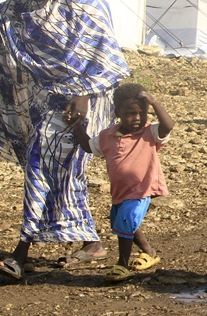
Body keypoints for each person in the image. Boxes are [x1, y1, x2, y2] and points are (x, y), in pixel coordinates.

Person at [0, 0, 129, 280]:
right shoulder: (22, 5)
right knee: (61, 171)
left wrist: (83, 96)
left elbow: (106, 60)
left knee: (40, 165)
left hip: (85, 100)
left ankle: (21, 252)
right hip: (42, 99)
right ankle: (91, 242)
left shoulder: (85, 6)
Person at [71, 84, 173, 283]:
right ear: (117, 112)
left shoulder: (149, 132)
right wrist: (76, 125)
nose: (137, 118)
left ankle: (123, 264)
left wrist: (154, 102)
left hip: (142, 188)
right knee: (123, 223)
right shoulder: (107, 136)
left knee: (126, 221)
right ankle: (149, 252)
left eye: (141, 113)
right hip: (120, 191)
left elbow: (168, 125)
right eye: (130, 114)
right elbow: (87, 146)